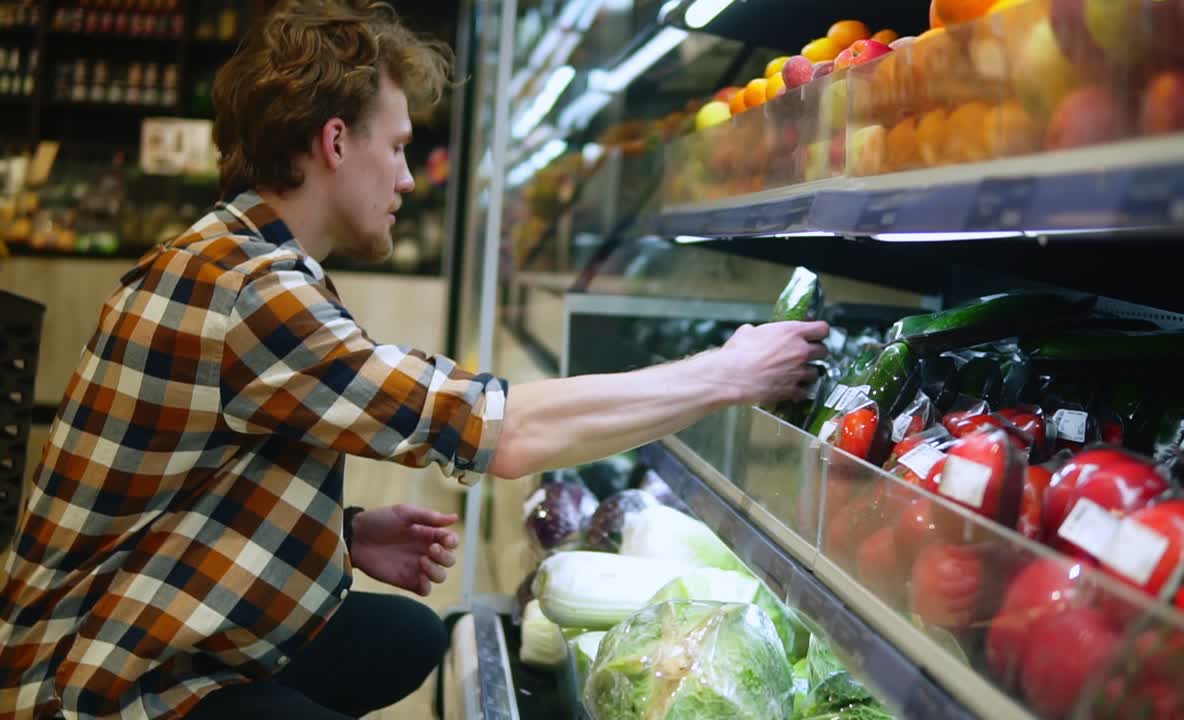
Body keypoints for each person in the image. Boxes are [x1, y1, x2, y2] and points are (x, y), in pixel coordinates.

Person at [0, 1, 828, 718]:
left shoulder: (233, 254)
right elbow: (504, 432)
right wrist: (728, 373)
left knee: (408, 635)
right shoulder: (253, 292)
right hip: (93, 680)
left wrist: (340, 533)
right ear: (334, 142)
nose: (406, 177)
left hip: (131, 621)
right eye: (396, 148)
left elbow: (190, 474)